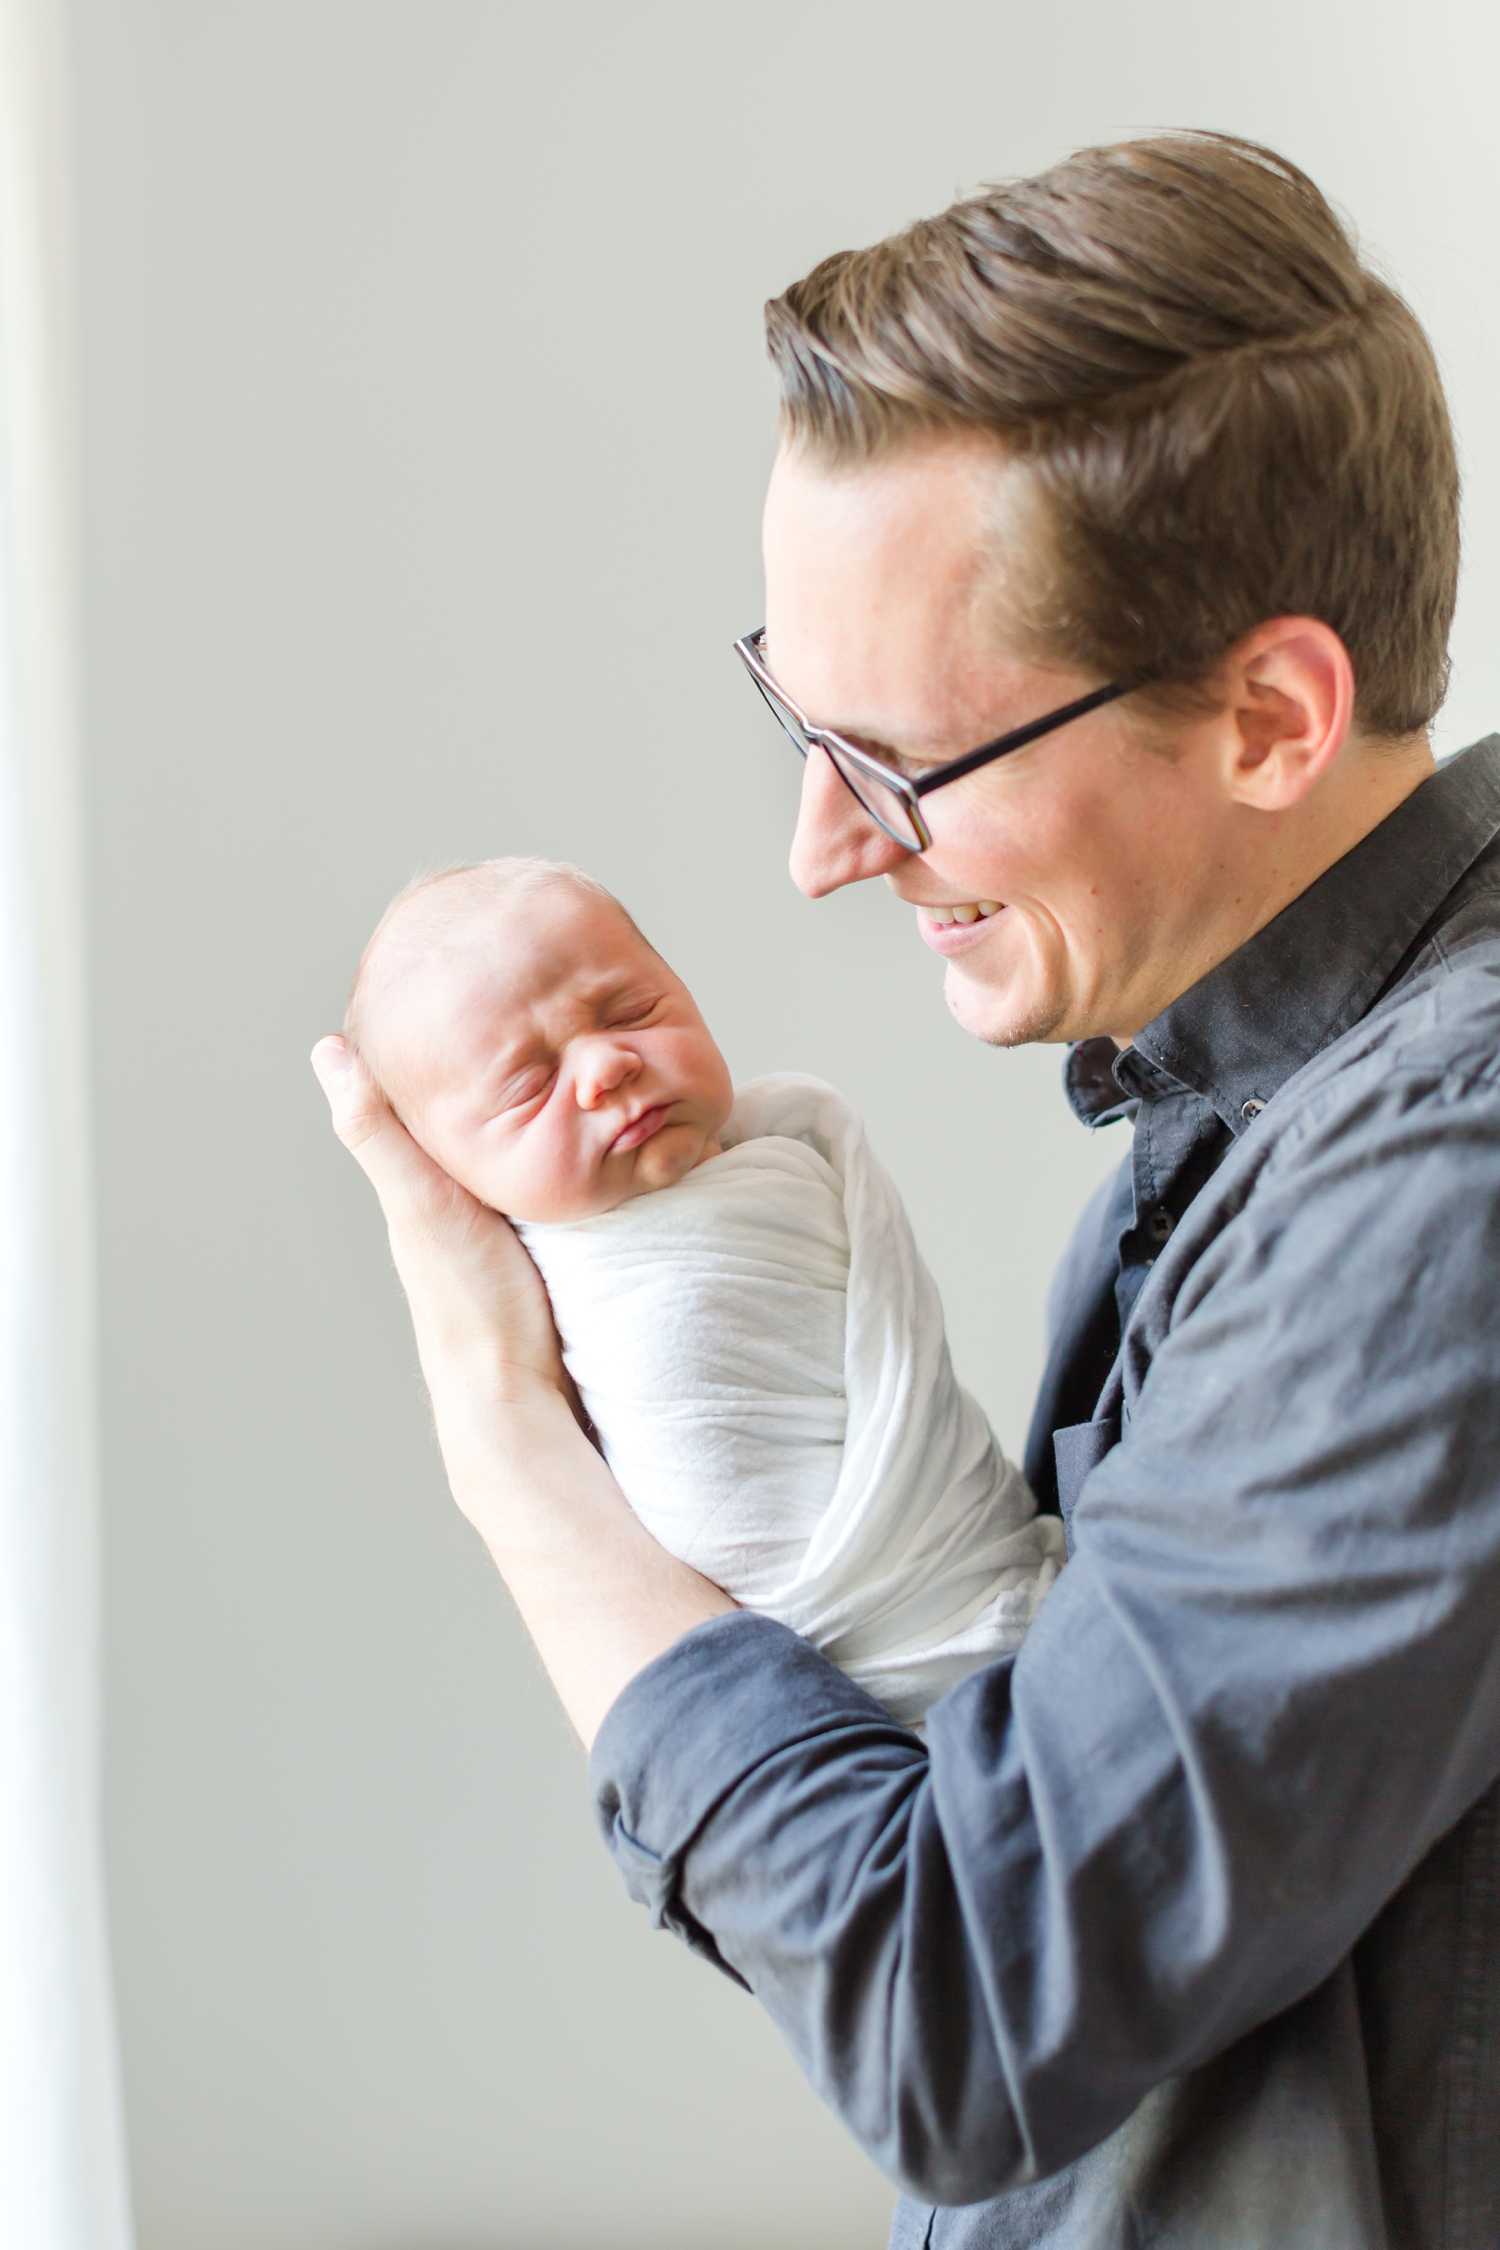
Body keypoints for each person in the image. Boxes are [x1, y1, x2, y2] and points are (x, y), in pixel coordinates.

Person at [312, 131, 1500, 2247]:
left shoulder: (1445, 1180)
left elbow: (965, 2014)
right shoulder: (1258, 1095)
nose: (819, 854)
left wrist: (515, 1458)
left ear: (1269, 717)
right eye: (796, 716)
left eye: (901, 766)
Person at [342, 854, 1061, 1726]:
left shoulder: (792, 1159)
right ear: (447, 1171)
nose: (605, 1065)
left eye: (631, 1011)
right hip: (845, 1688)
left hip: (1003, 1587)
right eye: (529, 1086)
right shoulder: (557, 1288)